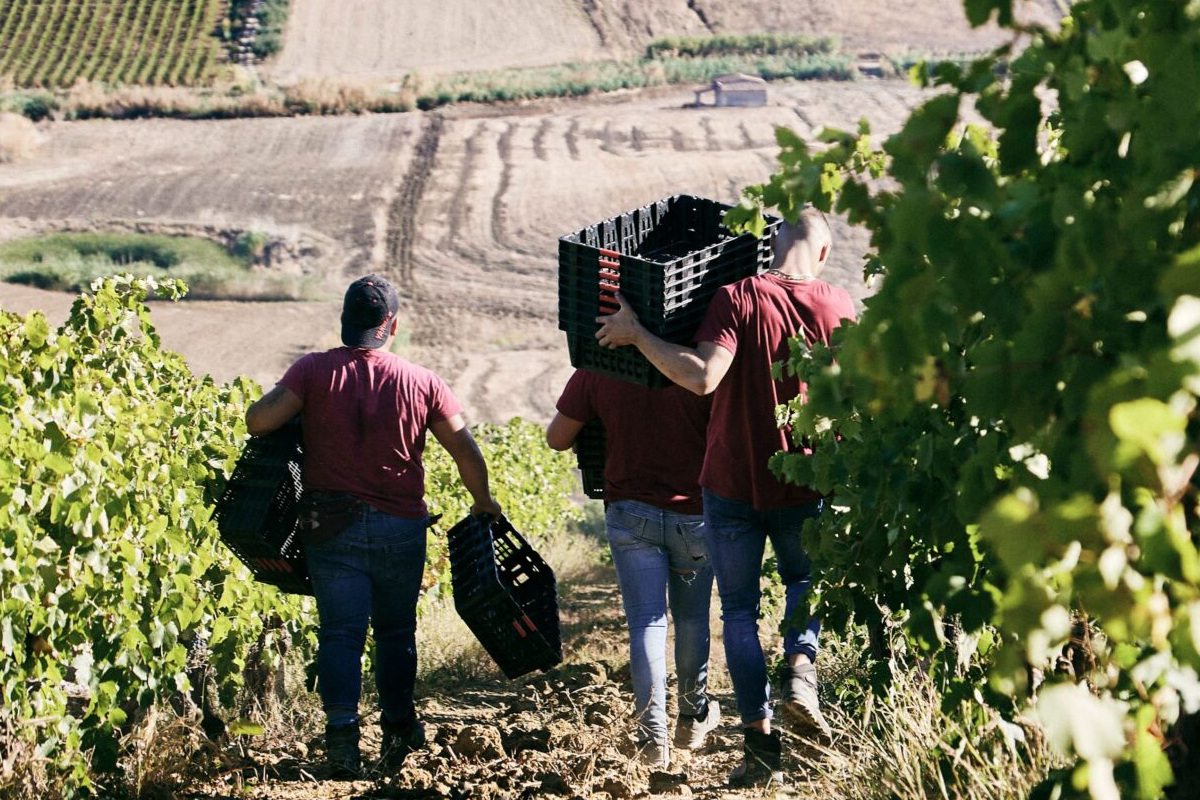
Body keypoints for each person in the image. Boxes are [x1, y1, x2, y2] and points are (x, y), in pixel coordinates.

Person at [595, 207, 856, 785]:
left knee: (738, 611)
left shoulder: (737, 297)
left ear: (773, 245)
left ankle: (760, 747)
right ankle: (800, 671)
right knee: (804, 581)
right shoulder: (838, 306)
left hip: (733, 483)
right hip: (806, 479)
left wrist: (637, 334)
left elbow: (701, 377)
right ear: (822, 253)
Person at [245, 274, 501, 779]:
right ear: (392, 325)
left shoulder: (313, 370)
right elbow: (465, 450)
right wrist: (483, 501)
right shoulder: (423, 381)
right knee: (395, 632)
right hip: (399, 528)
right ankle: (398, 727)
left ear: (345, 320)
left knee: (340, 634)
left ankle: (342, 738)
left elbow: (259, 421)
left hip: (330, 528)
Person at [546, 370, 719, 769]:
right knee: (692, 617)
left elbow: (557, 438)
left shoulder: (599, 368)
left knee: (646, 623)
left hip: (630, 513)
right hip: (695, 516)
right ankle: (692, 718)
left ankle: (653, 739)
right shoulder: (703, 364)